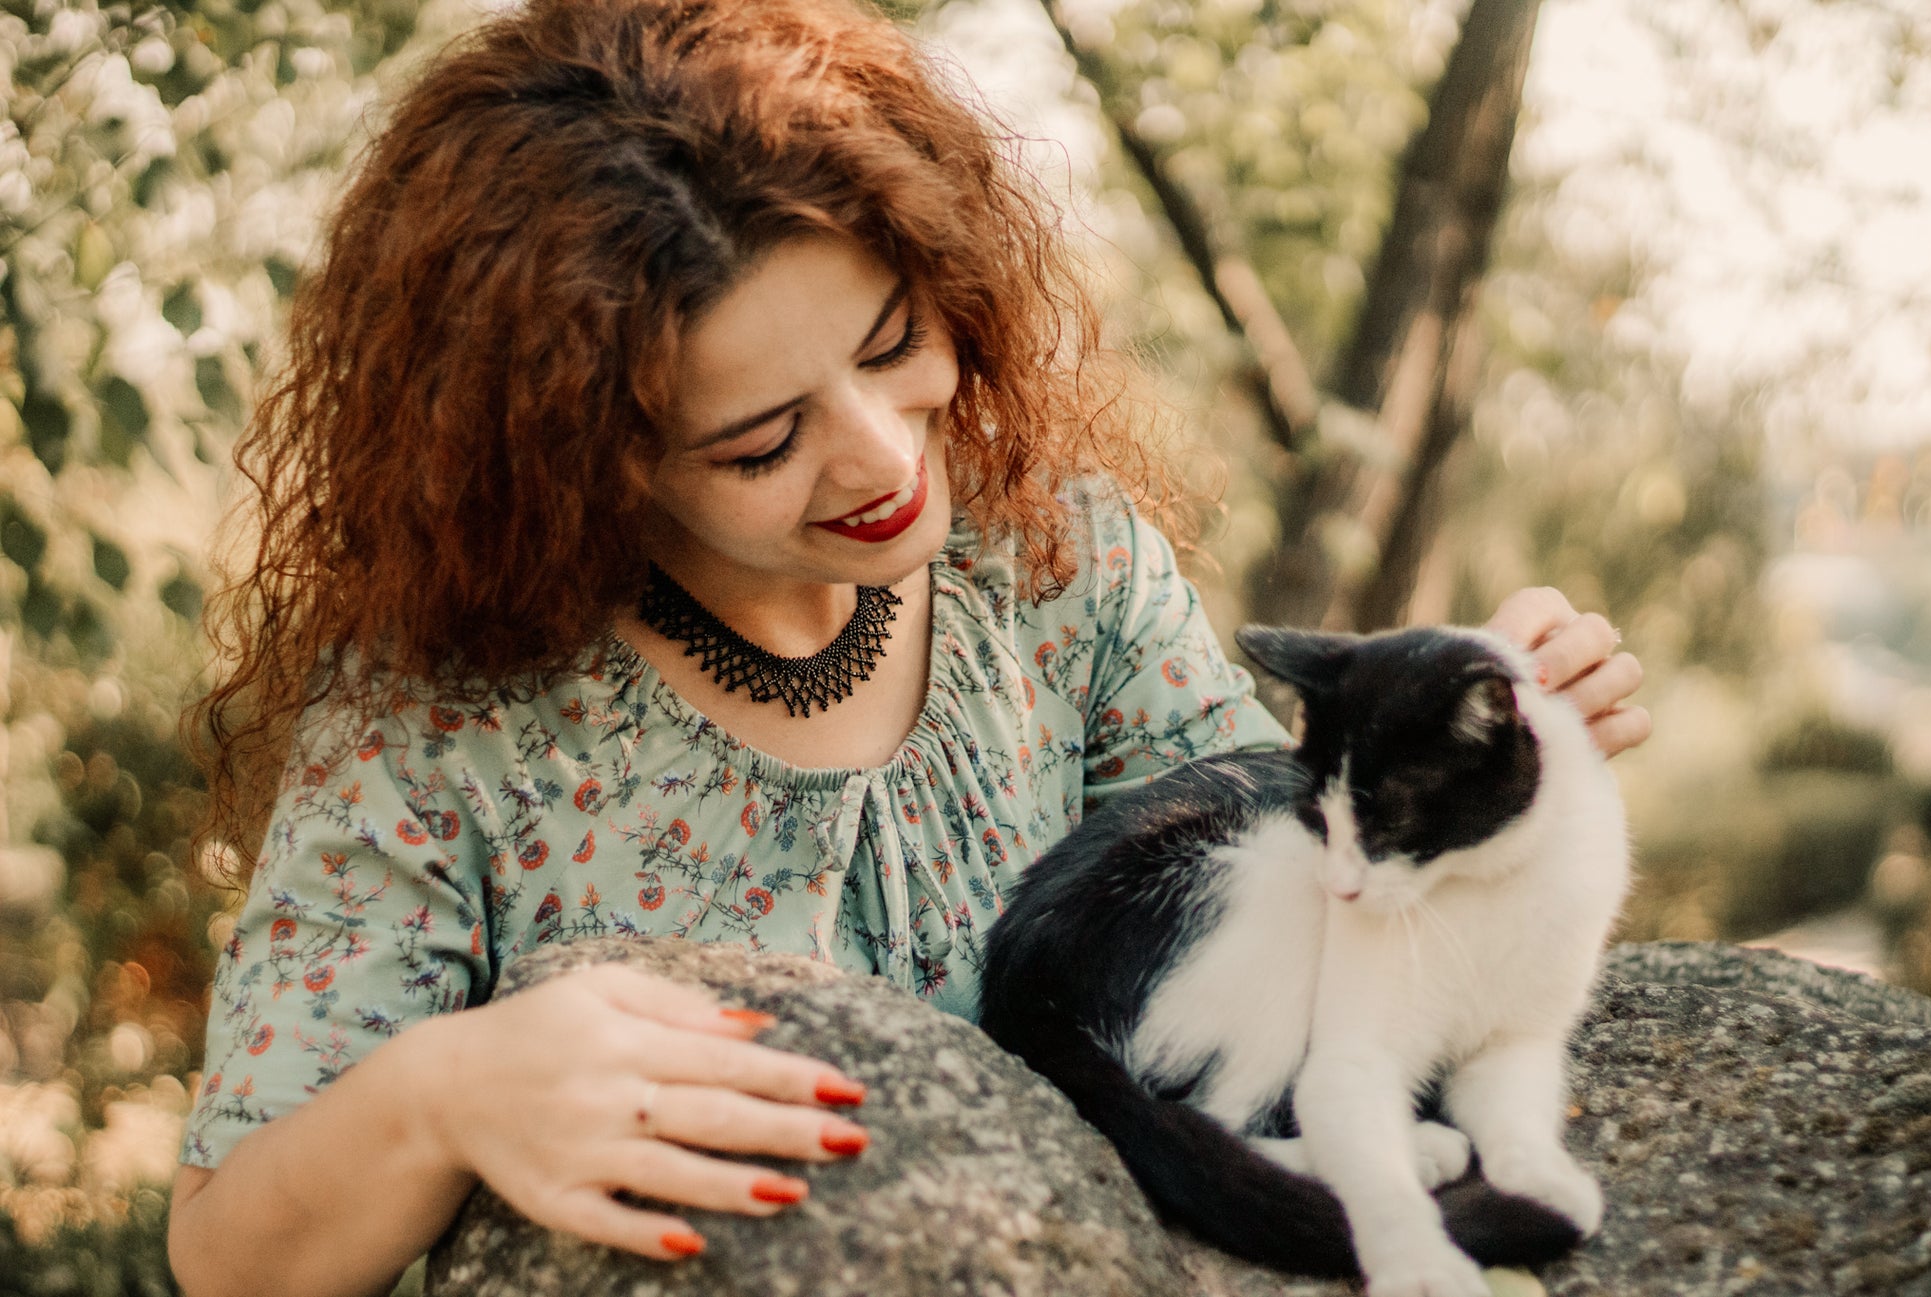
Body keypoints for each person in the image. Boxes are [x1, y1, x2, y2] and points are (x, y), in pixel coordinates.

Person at [165, 1, 1651, 1294]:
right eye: (758, 440)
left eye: (891, 346)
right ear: (577, 465)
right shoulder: (444, 725)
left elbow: (1317, 918)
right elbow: (229, 1254)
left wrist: (1485, 755)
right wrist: (440, 1095)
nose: (884, 460)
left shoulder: (1055, 559)